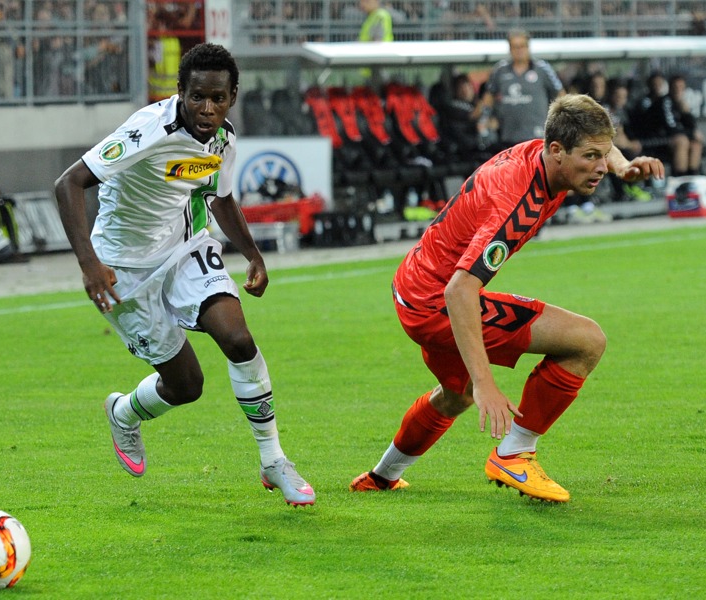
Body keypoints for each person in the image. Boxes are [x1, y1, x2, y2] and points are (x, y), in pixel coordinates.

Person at [349, 94, 664, 502]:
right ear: (556, 150)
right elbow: (460, 289)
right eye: (591, 157)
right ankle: (513, 454)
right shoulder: (519, 200)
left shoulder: (546, 152)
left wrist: (623, 166)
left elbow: (595, 144)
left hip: (411, 287)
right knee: (586, 341)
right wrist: (487, 384)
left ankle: (381, 476)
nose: (600, 167)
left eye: (603, 155)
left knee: (454, 394)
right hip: (437, 300)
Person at [54, 43, 315, 507]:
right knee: (186, 386)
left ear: (233, 96)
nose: (207, 108)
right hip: (123, 269)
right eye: (197, 97)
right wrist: (90, 263)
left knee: (238, 340)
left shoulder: (224, 139)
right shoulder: (146, 130)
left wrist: (252, 254)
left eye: (218, 98)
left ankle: (274, 461)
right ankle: (125, 411)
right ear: (180, 92)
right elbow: (68, 183)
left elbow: (220, 196)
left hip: (185, 247)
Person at [481, 29, 565, 150]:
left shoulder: (542, 69)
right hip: (508, 135)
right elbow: (489, 96)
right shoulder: (500, 70)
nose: (519, 50)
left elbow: (561, 94)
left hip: (537, 135)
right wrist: (485, 118)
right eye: (515, 47)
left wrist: (558, 121)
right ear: (510, 49)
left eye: (522, 46)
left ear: (528, 47)